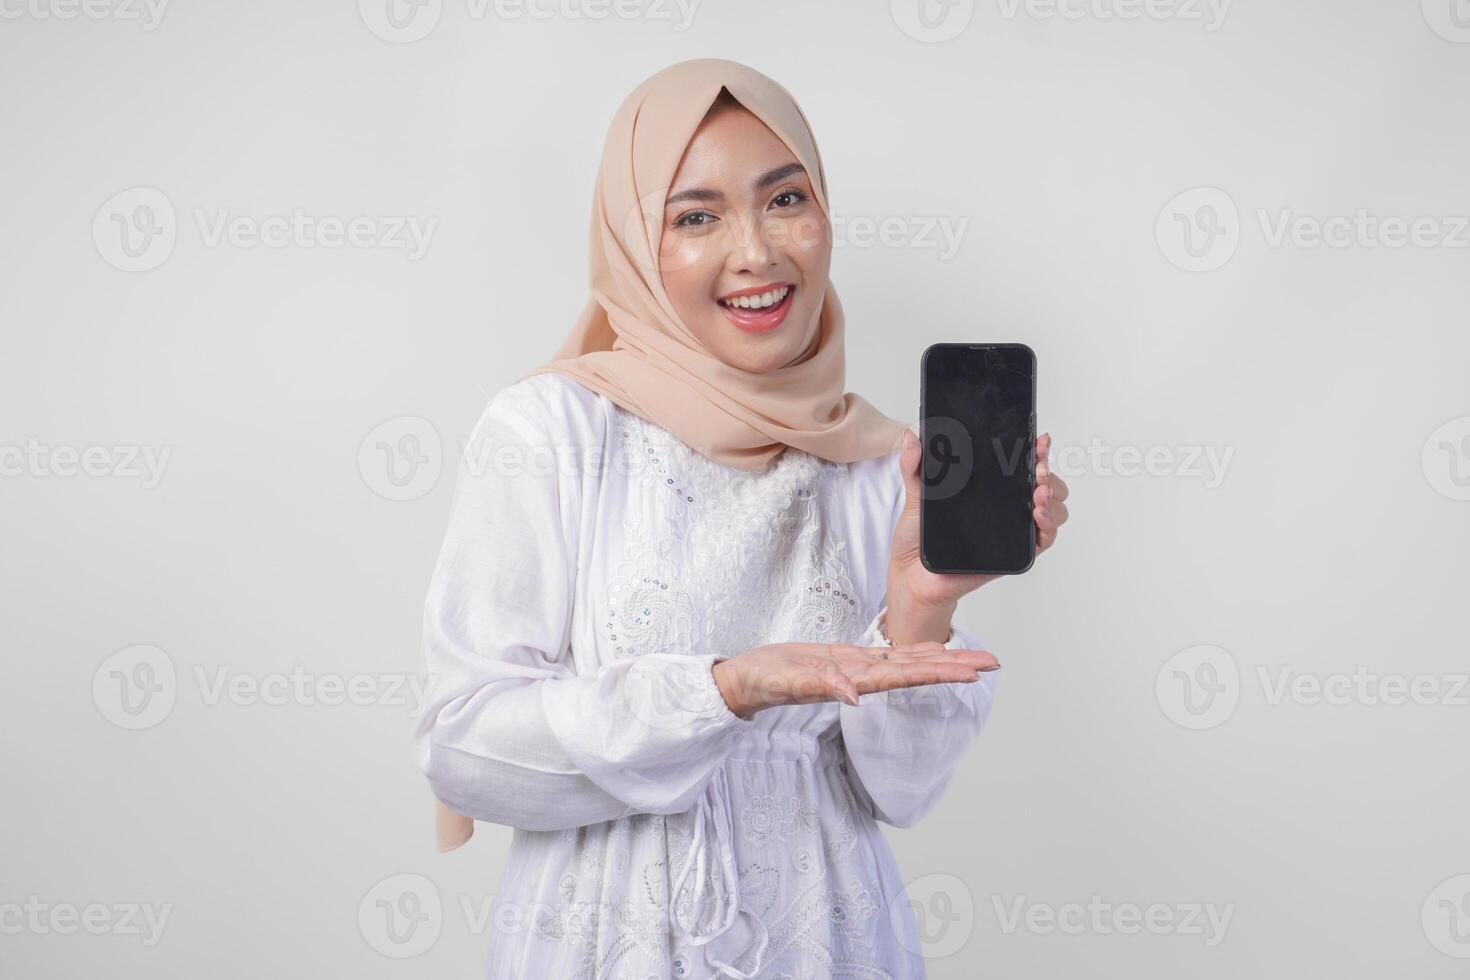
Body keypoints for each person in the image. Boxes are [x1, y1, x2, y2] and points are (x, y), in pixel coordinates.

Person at [412, 58, 1069, 980]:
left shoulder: (876, 463)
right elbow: (464, 747)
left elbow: (903, 791)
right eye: (695, 215)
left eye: (786, 199)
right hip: (609, 943)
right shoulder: (550, 431)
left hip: (833, 941)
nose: (757, 251)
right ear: (635, 243)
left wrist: (922, 608)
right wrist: (722, 690)